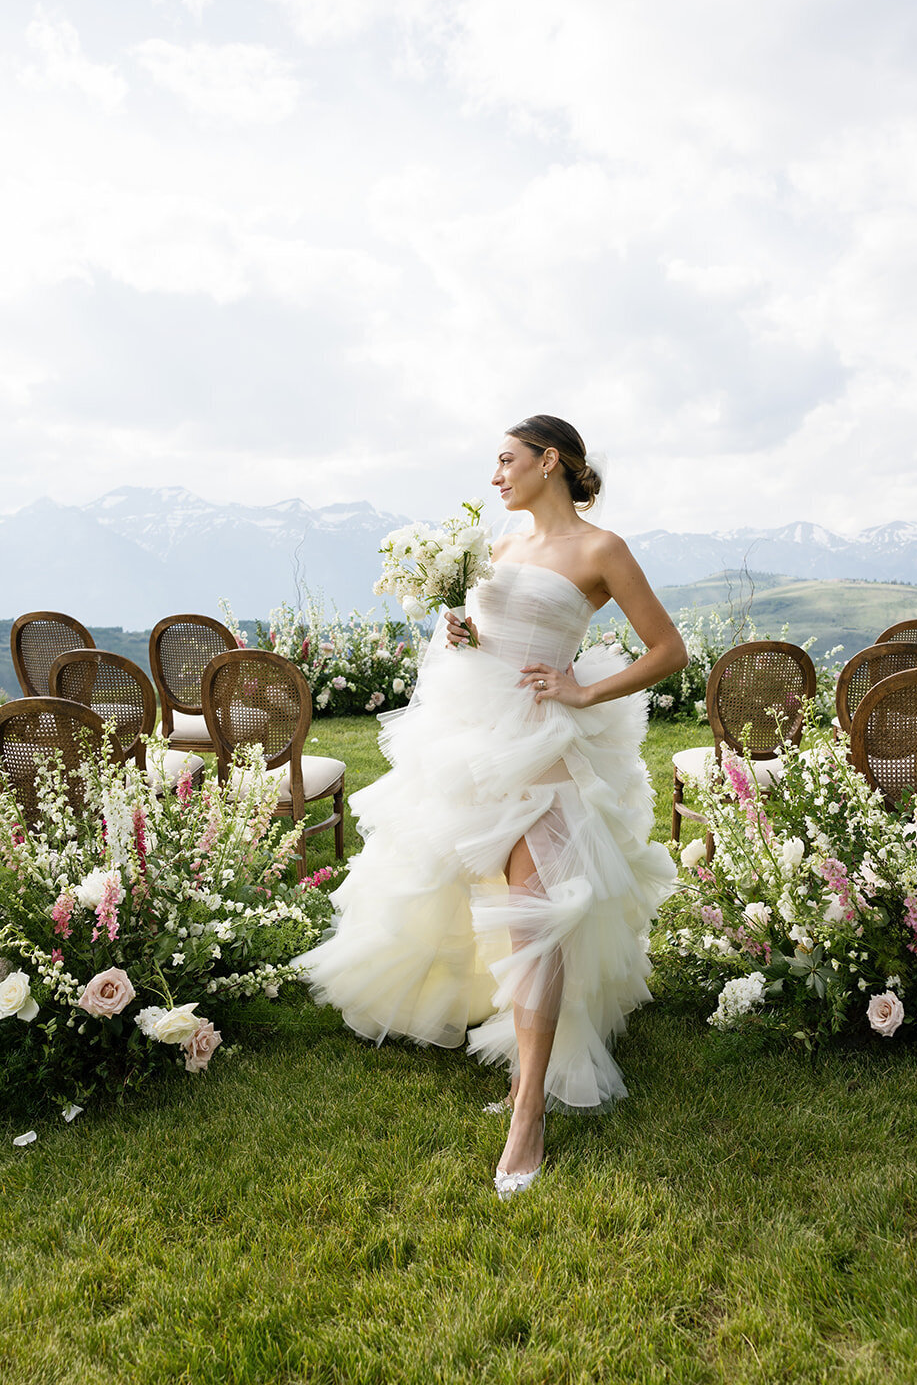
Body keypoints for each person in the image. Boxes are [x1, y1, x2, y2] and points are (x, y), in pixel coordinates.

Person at [295, 415, 688, 1198]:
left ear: (550, 462)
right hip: (471, 734)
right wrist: (463, 631)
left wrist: (581, 688)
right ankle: (505, 1047)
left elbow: (667, 650)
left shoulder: (600, 550)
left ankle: (528, 1109)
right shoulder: (496, 546)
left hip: (544, 741)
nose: (495, 476)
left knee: (538, 910)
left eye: (506, 461)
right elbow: (491, 636)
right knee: (477, 898)